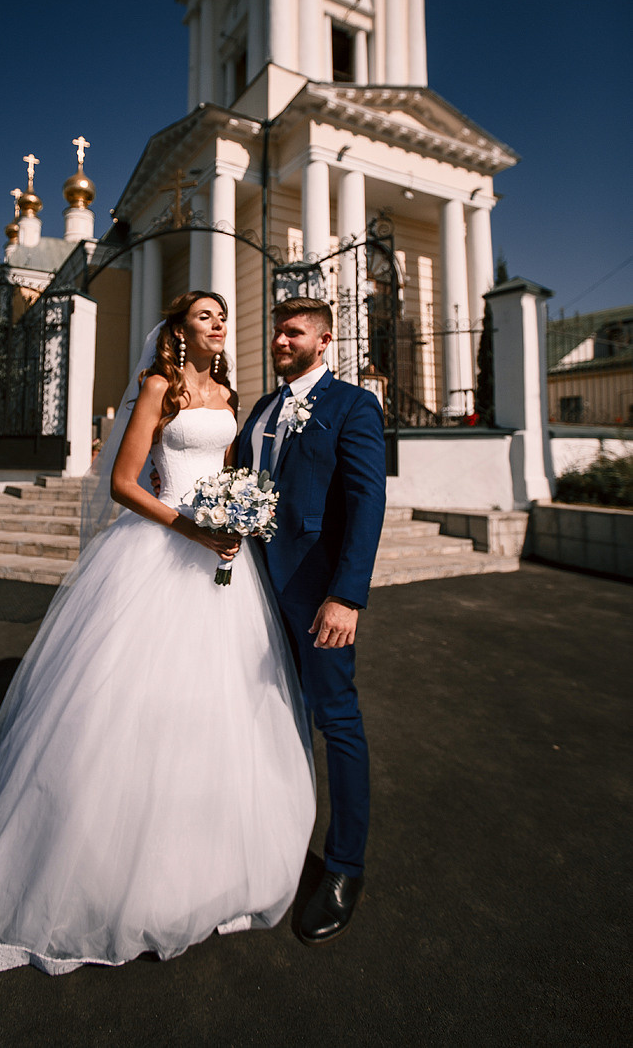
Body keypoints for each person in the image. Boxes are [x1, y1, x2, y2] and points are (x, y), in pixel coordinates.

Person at [0, 292, 315, 977]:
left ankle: (210, 876)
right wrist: (192, 528)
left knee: (220, 710)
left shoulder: (229, 391)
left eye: (221, 315)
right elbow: (124, 483)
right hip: (160, 546)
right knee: (133, 710)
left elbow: (232, 471)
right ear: (178, 329)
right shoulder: (159, 387)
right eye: (204, 314)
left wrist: (236, 517)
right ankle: (104, 884)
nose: (218, 322)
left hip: (223, 561)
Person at [237, 297, 386, 946]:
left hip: (315, 595)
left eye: (292, 332)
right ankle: (270, 839)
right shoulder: (261, 411)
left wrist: (346, 595)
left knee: (336, 719)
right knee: (264, 714)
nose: (279, 340)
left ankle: (344, 867)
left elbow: (366, 501)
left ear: (323, 341)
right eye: (275, 331)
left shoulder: (352, 406)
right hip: (248, 592)